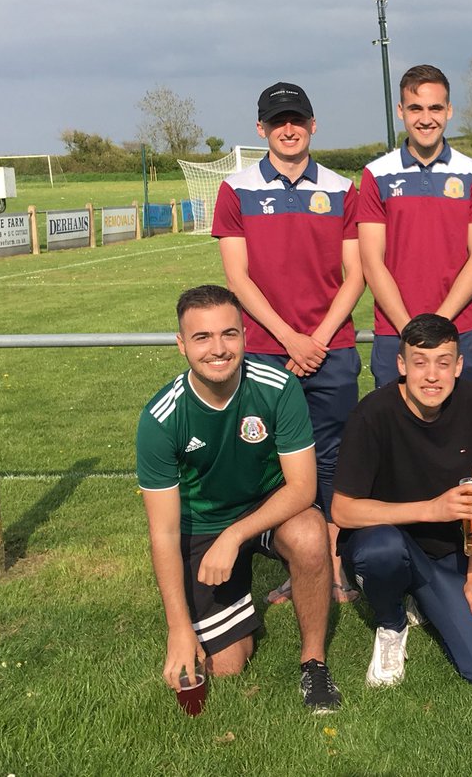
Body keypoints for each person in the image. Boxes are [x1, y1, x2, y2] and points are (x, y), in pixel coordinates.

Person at [136, 285, 341, 713]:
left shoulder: (278, 386)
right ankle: (231, 608)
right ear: (181, 345)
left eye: (229, 334)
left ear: (245, 336)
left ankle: (314, 664)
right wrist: (178, 628)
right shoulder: (161, 418)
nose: (218, 349)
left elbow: (303, 488)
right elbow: (164, 531)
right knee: (227, 665)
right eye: (202, 337)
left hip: (265, 509)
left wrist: (236, 535)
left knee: (309, 533)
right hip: (203, 524)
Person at [212, 81, 365, 604]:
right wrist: (288, 338)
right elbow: (238, 278)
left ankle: (337, 561)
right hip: (266, 350)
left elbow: (356, 273)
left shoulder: (345, 189)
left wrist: (316, 340)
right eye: (278, 121)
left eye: (297, 118)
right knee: (281, 462)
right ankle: (301, 563)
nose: (288, 128)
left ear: (313, 124)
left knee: (335, 459)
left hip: (332, 348)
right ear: (261, 129)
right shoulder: (236, 189)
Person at [330, 314, 472, 689]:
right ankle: (391, 622)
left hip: (448, 552)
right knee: (382, 550)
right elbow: (342, 510)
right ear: (401, 365)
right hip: (387, 541)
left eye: (444, 363)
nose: (432, 375)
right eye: (420, 362)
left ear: (459, 365)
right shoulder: (372, 414)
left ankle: (422, 595)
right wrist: (431, 508)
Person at [358, 65, 472, 389]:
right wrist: (409, 330)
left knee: (463, 435)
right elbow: (372, 262)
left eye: (435, 108)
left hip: (459, 330)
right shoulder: (376, 174)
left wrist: (437, 325)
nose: (426, 118)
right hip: (395, 333)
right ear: (401, 112)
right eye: (416, 108)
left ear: (449, 111)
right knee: (397, 437)